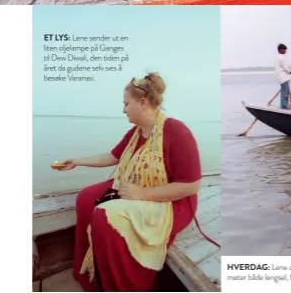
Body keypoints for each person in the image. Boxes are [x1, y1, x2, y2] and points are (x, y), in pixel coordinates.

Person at [66, 74, 202, 292]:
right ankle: (92, 275)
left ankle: (122, 284)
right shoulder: (136, 132)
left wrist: (142, 194)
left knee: (103, 215)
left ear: (143, 102)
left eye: (126, 104)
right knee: (85, 199)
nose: (123, 110)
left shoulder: (176, 131)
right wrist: (77, 161)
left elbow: (192, 186)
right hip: (136, 188)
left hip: (171, 201)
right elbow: (110, 157)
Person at [276, 44, 291, 110]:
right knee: (285, 93)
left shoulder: (279, 57)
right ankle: (284, 107)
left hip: (283, 77)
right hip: (283, 78)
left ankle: (283, 106)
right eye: (284, 49)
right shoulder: (281, 57)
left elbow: (286, 68)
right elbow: (285, 67)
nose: (286, 51)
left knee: (285, 92)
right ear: (280, 50)